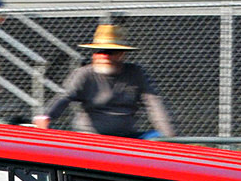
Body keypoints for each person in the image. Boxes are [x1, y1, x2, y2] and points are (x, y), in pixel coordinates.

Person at [38, 23, 174, 139]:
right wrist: (46, 116)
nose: (103, 55)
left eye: (109, 51)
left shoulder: (135, 73)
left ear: (121, 54)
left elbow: (154, 103)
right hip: (90, 137)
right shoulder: (84, 74)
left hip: (127, 137)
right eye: (98, 51)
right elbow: (64, 96)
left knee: (157, 139)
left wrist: (169, 137)